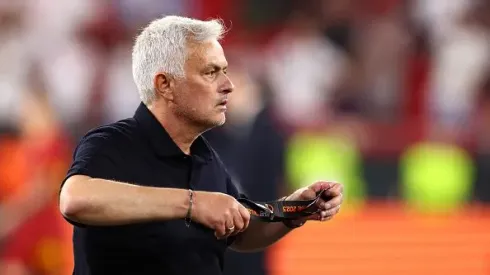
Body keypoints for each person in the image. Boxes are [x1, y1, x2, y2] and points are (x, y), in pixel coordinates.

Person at [58, 15, 344, 275]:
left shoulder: (206, 158)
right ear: (165, 85)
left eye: (225, 71)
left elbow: (239, 233)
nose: (228, 85)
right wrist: (192, 203)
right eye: (210, 73)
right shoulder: (112, 142)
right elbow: (75, 200)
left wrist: (295, 209)